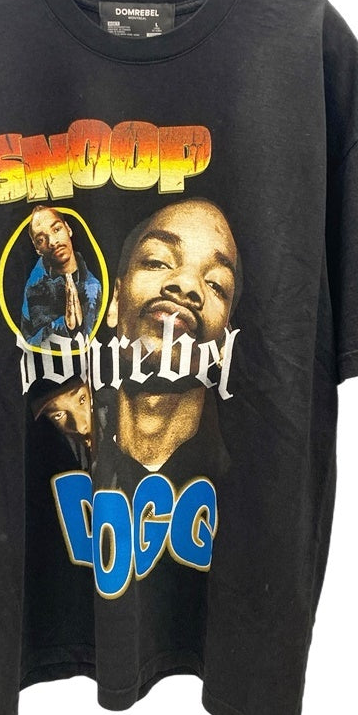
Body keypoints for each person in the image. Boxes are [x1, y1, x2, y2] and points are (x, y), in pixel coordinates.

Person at [94, 197, 243, 497]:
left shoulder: (247, 482)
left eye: (215, 283)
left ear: (225, 344)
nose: (186, 284)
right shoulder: (65, 445)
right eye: (157, 261)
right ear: (115, 302)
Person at [20, 204, 102, 347]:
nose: (52, 242)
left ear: (68, 229)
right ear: (37, 249)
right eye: (41, 240)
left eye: (56, 230)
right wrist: (64, 325)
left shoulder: (94, 285)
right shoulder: (34, 289)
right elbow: (27, 344)